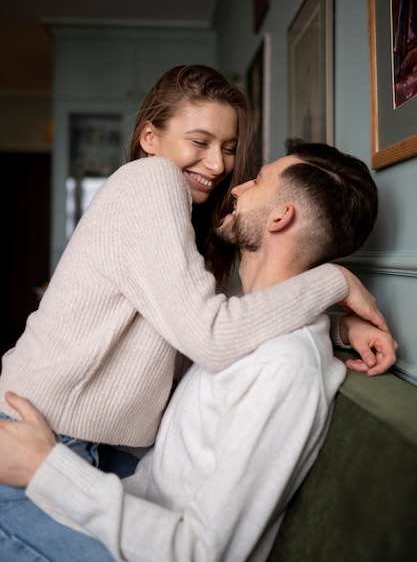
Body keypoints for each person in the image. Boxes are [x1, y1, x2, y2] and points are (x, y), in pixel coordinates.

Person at [0, 140, 396, 562]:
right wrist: (338, 322)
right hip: (128, 532)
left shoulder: (284, 369)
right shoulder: (240, 328)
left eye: (259, 180)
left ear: (282, 217)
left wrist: (46, 469)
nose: (238, 186)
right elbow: (156, 481)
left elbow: (201, 557)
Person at [0, 65, 392, 460]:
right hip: (35, 431)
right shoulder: (149, 179)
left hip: (86, 441)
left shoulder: (190, 222)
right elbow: (214, 336)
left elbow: (245, 317)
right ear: (150, 138)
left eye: (228, 147)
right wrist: (337, 279)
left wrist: (340, 328)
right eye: (199, 141)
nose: (219, 165)